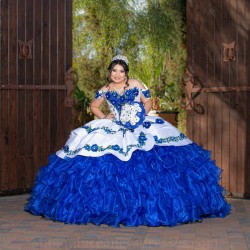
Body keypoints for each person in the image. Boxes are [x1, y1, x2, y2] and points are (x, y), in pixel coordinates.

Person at [25, 55, 231, 227]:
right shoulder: (104, 89)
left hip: (139, 124)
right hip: (113, 126)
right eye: (114, 71)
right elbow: (94, 105)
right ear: (110, 72)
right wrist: (104, 117)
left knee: (154, 156)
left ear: (126, 73)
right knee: (97, 159)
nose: (117, 74)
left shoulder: (136, 84)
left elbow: (148, 102)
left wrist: (140, 116)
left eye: (121, 71)